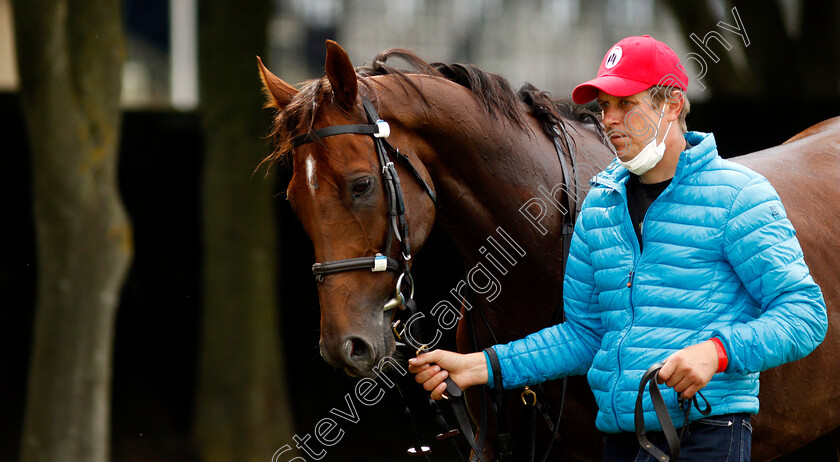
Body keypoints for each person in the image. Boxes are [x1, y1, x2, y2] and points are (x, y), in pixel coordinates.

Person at [408, 35, 827, 461]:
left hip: (706, 433)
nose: (609, 119)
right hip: (620, 441)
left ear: (673, 105)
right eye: (604, 105)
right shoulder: (600, 207)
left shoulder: (740, 195)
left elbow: (805, 314)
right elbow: (584, 335)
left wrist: (717, 353)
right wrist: (481, 366)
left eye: (626, 103)